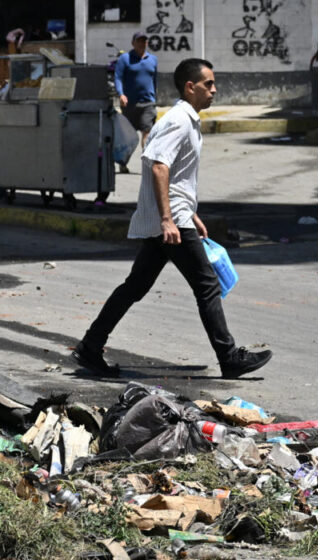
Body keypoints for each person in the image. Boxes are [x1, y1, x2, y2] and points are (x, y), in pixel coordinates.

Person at [72, 58, 272, 379]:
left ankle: (91, 346)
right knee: (206, 286)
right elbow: (158, 166)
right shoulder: (179, 119)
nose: (214, 90)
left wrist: (191, 213)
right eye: (209, 84)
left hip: (174, 216)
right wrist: (170, 219)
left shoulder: (184, 119)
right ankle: (229, 356)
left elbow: (173, 172)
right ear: (190, 87)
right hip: (169, 221)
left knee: (135, 286)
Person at [114, 31, 158, 173]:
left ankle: (147, 164)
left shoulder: (153, 59)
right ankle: (123, 162)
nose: (142, 43)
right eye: (139, 41)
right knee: (129, 137)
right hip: (130, 104)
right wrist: (121, 94)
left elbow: (154, 80)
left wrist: (154, 97)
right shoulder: (125, 59)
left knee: (147, 132)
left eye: (144, 41)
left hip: (148, 103)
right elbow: (118, 77)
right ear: (133, 43)